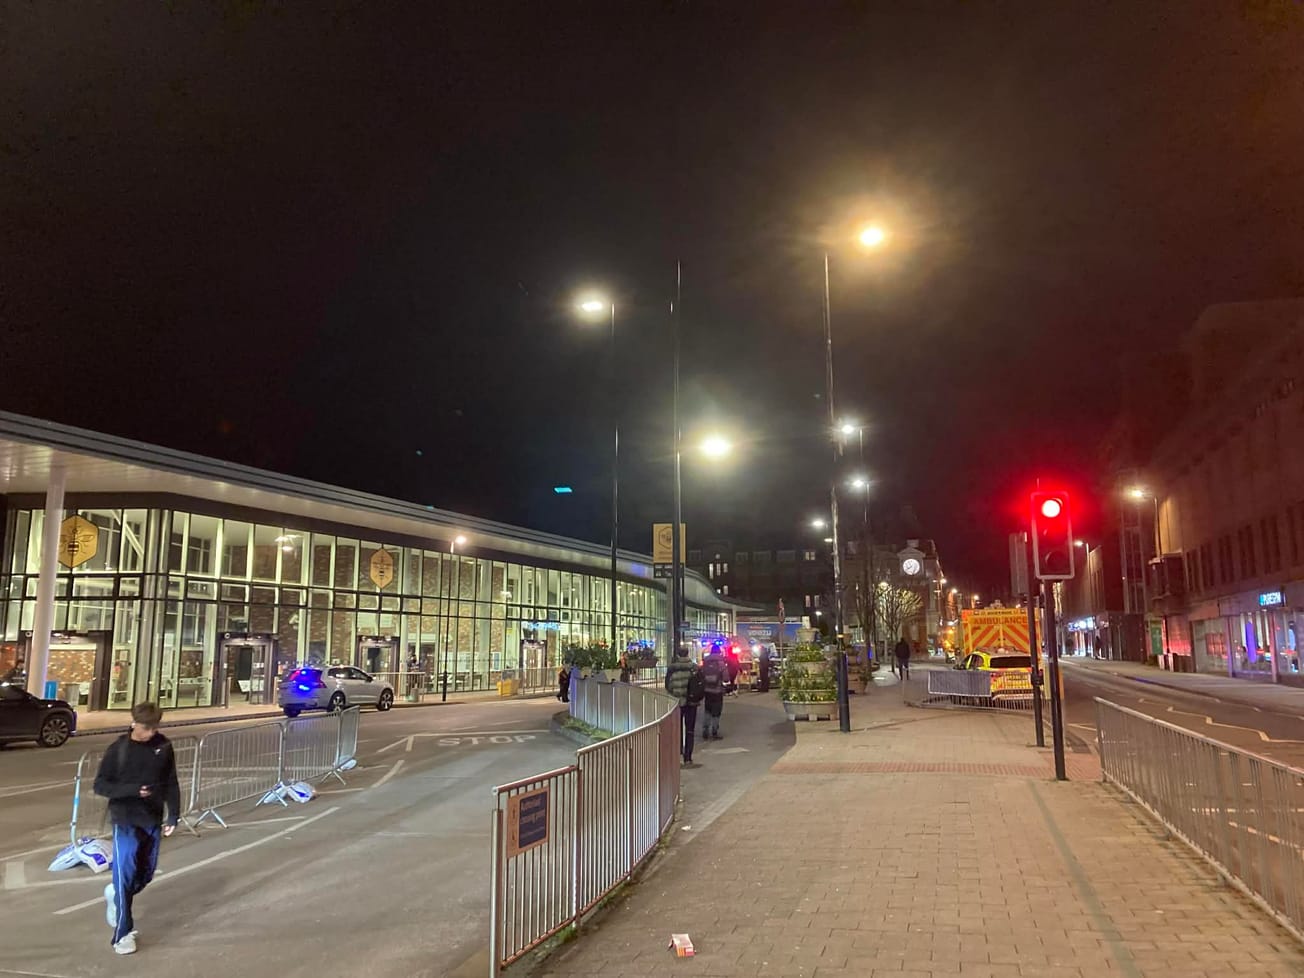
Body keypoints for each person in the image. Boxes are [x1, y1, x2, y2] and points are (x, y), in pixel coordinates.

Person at [93, 702, 181, 956]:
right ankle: (122, 934)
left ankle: (116, 894)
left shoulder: (162, 746)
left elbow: (171, 782)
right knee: (125, 873)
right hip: (125, 819)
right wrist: (132, 791)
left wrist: (173, 815)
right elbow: (100, 785)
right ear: (134, 723)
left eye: (154, 728)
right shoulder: (118, 750)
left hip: (151, 819)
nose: (150, 733)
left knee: (145, 873)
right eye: (146, 728)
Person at [664, 648, 704, 767]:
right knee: (690, 730)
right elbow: (700, 684)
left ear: (677, 654)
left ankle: (677, 754)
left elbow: (668, 685)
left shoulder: (672, 669)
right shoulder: (694, 668)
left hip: (677, 702)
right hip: (691, 703)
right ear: (688, 654)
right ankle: (688, 757)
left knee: (677, 729)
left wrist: (675, 693)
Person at [700, 650, 729, 741]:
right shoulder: (720, 663)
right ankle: (714, 731)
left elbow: (701, 674)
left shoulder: (705, 662)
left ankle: (705, 729)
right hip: (717, 691)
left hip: (707, 690)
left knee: (707, 710)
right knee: (716, 712)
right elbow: (726, 678)